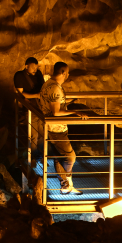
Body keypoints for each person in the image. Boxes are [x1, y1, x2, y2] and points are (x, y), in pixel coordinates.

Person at [38, 62, 88, 195]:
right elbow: (56, 112)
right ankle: (67, 184)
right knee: (71, 157)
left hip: (50, 127)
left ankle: (66, 185)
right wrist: (75, 112)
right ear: (63, 72)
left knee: (59, 157)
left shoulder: (47, 84)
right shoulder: (55, 88)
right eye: (67, 72)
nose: (68, 75)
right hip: (56, 128)